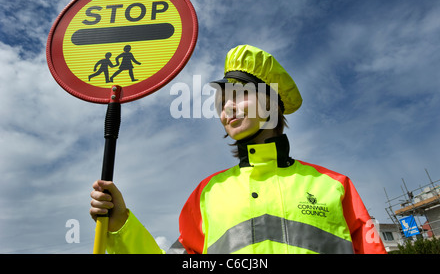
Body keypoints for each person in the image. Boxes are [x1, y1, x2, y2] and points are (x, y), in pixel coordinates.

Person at [90, 44, 386, 254]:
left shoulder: (336, 187)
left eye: (239, 95)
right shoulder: (206, 194)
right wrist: (121, 226)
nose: (227, 108)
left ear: (271, 103)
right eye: (221, 102)